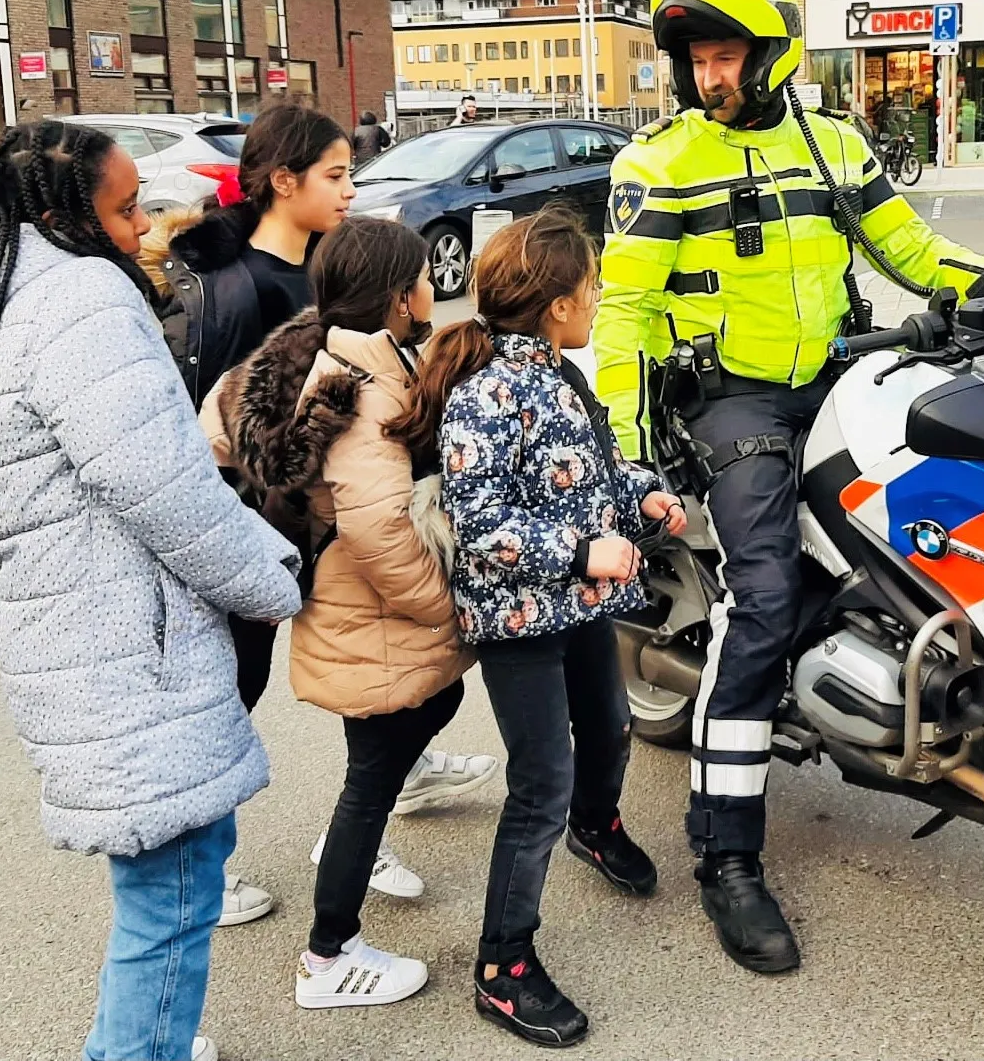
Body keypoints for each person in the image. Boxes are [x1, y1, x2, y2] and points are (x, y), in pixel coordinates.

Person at [594, 0, 984, 975]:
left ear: (774, 53)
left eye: (726, 52)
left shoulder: (832, 145)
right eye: (696, 57)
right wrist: (625, 437)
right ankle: (725, 854)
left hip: (838, 374)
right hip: (731, 400)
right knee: (767, 593)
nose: (709, 73)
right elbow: (624, 311)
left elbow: (909, 251)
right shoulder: (657, 164)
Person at [0, 121, 303, 1061]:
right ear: (61, 215)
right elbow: (160, 485)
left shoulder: (22, 291)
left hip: (89, 630)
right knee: (173, 894)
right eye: (126, 208)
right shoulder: (83, 300)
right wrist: (271, 577)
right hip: (127, 639)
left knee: (167, 878)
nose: (145, 228)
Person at [145, 104, 497, 928]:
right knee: (229, 697)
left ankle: (379, 802)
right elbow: (214, 418)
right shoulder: (234, 286)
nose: (350, 190)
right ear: (283, 181)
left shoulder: (323, 269)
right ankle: (203, 870)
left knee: (369, 684)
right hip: (251, 532)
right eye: (336, 175)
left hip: (324, 532)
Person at [404, 206, 675, 1047]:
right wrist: (584, 550)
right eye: (591, 286)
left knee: (612, 727)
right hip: (519, 620)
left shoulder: (561, 373)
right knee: (538, 786)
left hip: (579, 605)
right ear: (559, 302)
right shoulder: (487, 391)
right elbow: (483, 523)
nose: (598, 298)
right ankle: (502, 964)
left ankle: (597, 827)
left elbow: (585, 475)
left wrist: (639, 497)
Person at [201, 216, 473, 1009]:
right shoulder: (355, 389)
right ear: (397, 298)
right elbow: (378, 525)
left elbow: (217, 427)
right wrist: (439, 604)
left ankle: (346, 854)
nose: (434, 288)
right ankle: (329, 953)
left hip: (362, 607)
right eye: (424, 277)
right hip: (372, 615)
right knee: (374, 770)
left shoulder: (317, 354)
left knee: (431, 709)